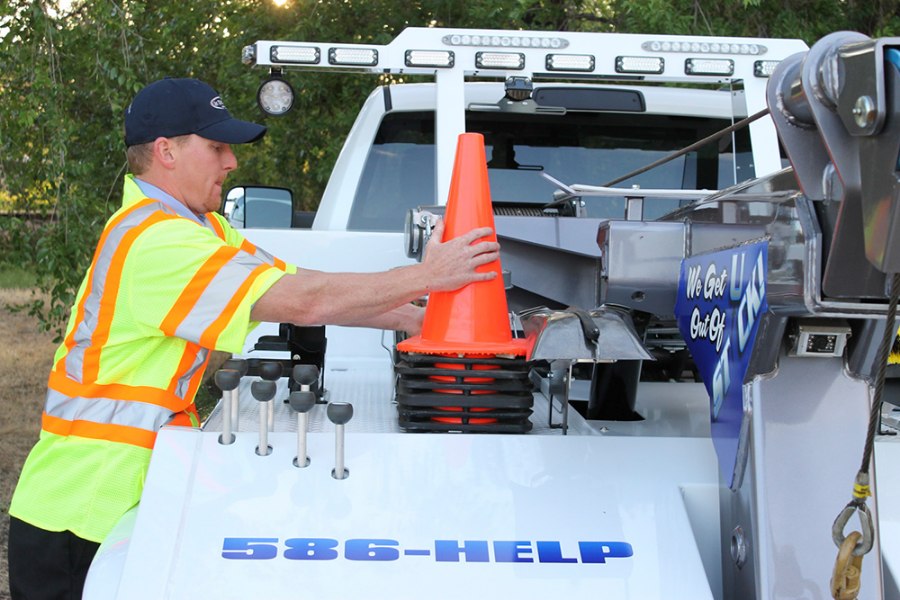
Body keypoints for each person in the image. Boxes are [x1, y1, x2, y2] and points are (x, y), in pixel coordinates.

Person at [6, 77, 499, 599]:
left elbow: (298, 282)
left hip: (116, 500)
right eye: (217, 147)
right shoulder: (156, 242)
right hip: (79, 510)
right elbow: (304, 302)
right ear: (165, 151)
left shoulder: (200, 230)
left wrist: (415, 319)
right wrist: (428, 277)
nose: (231, 163)